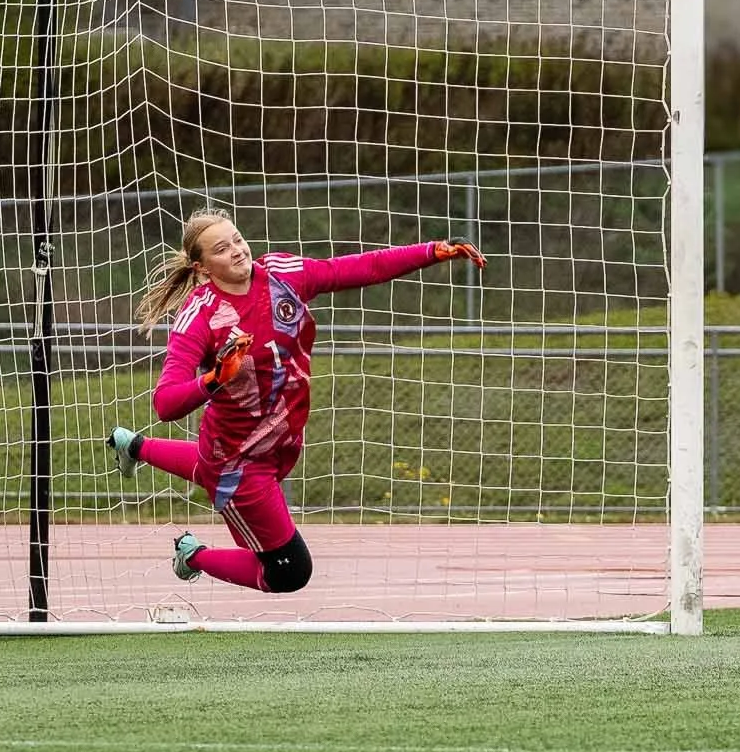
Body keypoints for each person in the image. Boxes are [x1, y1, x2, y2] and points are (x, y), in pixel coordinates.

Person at [105, 209, 487, 594]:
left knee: (210, 465)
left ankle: (133, 446)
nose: (238, 251)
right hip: (240, 463)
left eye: (237, 239)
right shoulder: (200, 318)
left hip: (279, 439)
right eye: (222, 249)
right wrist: (215, 378)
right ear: (203, 268)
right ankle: (191, 554)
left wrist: (432, 251)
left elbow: (357, 268)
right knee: (288, 571)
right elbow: (165, 404)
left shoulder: (280, 275)